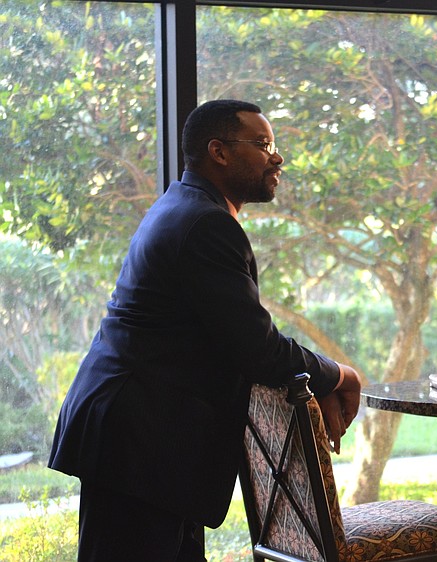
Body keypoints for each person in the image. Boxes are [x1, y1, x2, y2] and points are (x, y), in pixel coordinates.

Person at [48, 99, 362, 561]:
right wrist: (340, 375)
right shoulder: (206, 224)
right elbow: (259, 350)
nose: (277, 157)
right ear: (218, 151)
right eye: (262, 144)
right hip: (138, 443)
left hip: (146, 442)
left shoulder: (186, 207)